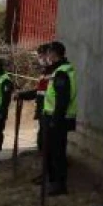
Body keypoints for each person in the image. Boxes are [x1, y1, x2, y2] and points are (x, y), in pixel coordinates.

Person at [39, 42, 77, 195]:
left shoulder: (62, 73)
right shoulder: (59, 71)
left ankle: (60, 185)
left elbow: (62, 100)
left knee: (57, 153)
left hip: (58, 119)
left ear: (54, 54)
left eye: (48, 53)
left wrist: (55, 120)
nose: (47, 57)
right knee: (52, 151)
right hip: (53, 117)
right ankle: (53, 181)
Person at [17, 44, 55, 162]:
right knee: (41, 141)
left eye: (42, 56)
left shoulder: (55, 72)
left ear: (49, 54)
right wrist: (22, 95)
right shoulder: (45, 72)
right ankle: (44, 171)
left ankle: (49, 174)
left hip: (50, 112)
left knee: (48, 143)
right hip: (43, 110)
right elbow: (39, 92)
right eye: (39, 56)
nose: (40, 59)